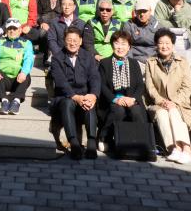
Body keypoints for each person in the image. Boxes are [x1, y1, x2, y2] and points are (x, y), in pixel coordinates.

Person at [50, 26, 101, 160]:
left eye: (75, 40)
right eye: (69, 40)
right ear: (64, 41)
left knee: (90, 103)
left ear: (81, 41)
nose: (72, 43)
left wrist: (93, 95)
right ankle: (74, 143)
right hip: (65, 96)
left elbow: (94, 77)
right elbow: (61, 82)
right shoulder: (57, 58)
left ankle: (91, 142)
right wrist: (75, 97)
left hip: (84, 95)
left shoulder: (87, 56)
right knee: (67, 104)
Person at [145, 29, 191, 164]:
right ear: (156, 45)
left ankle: (187, 149)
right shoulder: (151, 62)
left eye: (167, 43)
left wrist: (174, 102)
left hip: (180, 103)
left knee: (173, 111)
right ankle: (174, 148)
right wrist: (161, 101)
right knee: (161, 113)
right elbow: (150, 87)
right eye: (161, 43)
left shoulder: (182, 62)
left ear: (172, 45)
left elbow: (186, 87)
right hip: (158, 104)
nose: (164, 46)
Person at [98, 30, 148, 149]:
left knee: (136, 111)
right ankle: (105, 138)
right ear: (112, 45)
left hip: (131, 99)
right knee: (118, 110)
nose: (120, 47)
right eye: (117, 43)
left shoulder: (134, 63)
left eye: (124, 44)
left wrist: (133, 99)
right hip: (112, 100)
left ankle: (141, 141)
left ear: (129, 47)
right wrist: (115, 99)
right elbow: (102, 85)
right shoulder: (104, 63)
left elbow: (140, 85)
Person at [0, 18, 34, 115]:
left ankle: (16, 101)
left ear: (20, 30)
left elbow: (29, 59)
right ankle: (4, 101)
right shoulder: (0, 41)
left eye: (15, 28)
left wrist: (23, 72)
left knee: (26, 75)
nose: (12, 31)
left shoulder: (27, 43)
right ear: (6, 30)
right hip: (3, 79)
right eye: (9, 29)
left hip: (19, 79)